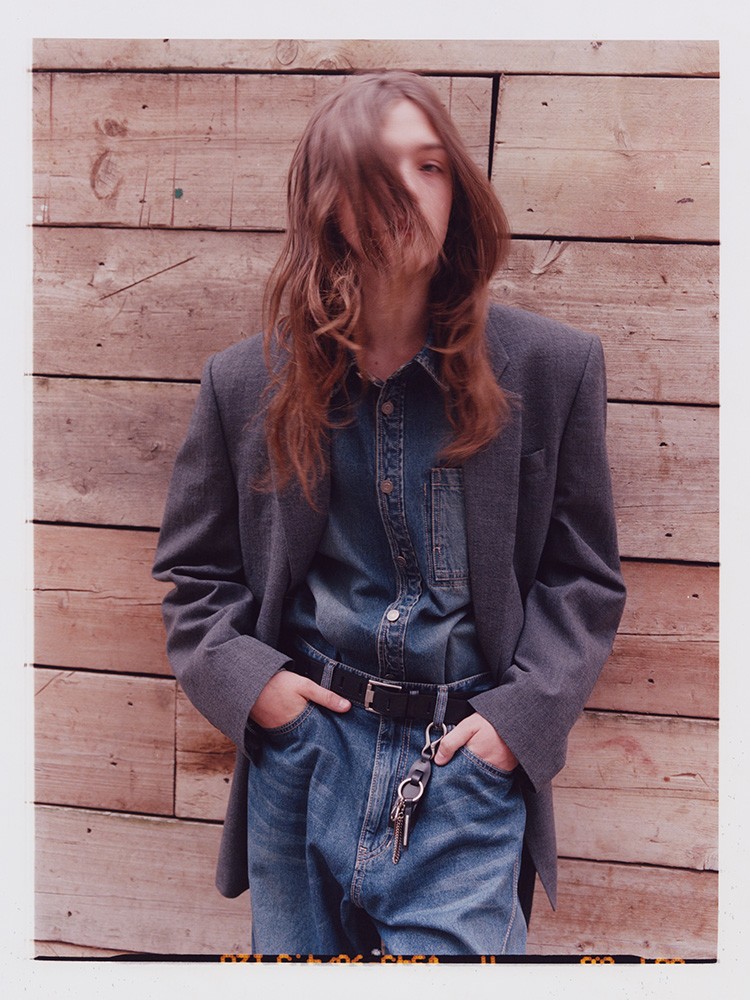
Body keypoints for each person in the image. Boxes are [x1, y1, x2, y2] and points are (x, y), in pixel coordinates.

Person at [153, 70, 626, 957]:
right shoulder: (244, 381)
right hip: (303, 762)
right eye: (379, 170)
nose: (409, 192)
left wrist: (517, 725)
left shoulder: (553, 368)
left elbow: (584, 580)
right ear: (326, 200)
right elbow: (194, 575)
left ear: (459, 190)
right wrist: (262, 696)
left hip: (464, 771)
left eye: (431, 166)